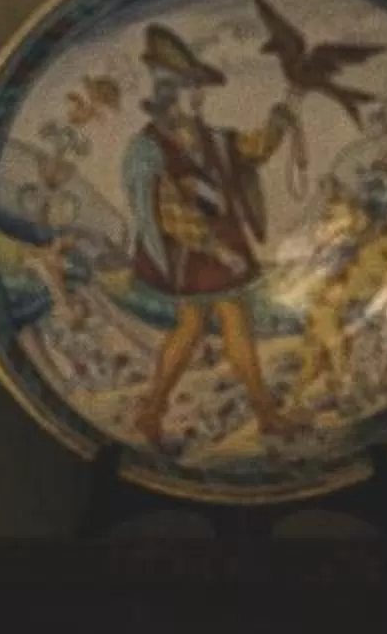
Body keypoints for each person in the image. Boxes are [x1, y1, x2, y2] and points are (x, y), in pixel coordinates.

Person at [122, 23, 295, 446]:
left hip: (217, 246)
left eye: (199, 88)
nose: (199, 96)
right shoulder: (150, 149)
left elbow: (255, 148)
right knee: (214, 323)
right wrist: (219, 250)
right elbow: (172, 215)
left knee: (200, 325)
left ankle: (154, 413)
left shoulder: (212, 138)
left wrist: (284, 112)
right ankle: (262, 415)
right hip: (193, 252)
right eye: (191, 87)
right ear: (168, 93)